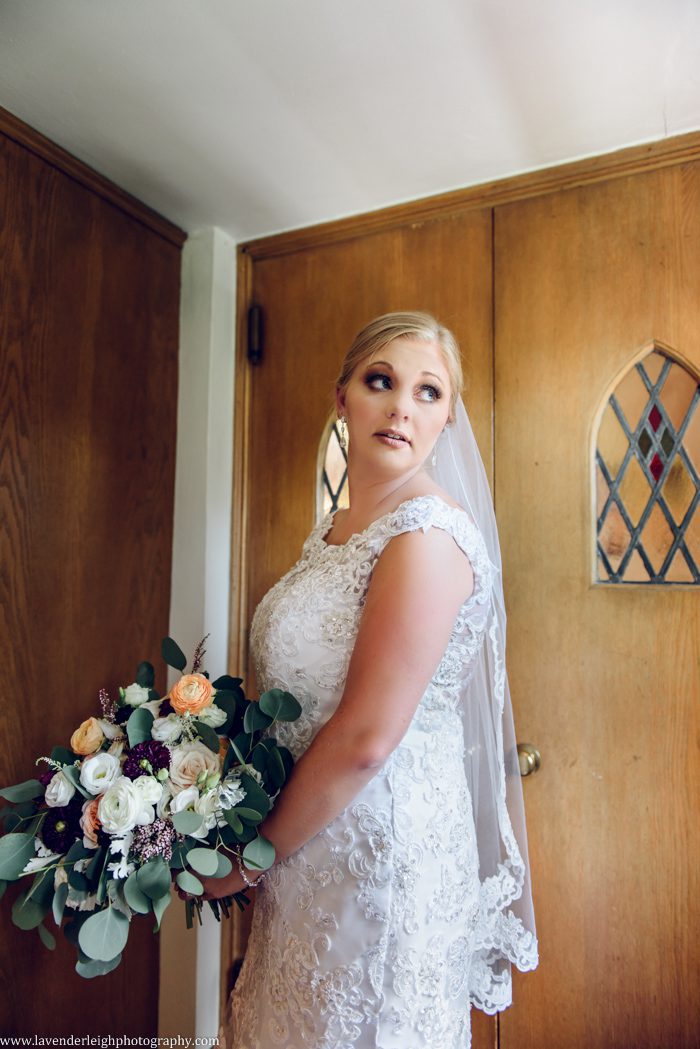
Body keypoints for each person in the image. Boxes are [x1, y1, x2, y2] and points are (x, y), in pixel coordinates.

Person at [197, 312, 538, 1048]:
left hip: (378, 859)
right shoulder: (331, 534)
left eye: (427, 392)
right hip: (310, 840)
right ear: (341, 396)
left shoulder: (426, 536)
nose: (400, 406)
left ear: (448, 418)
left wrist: (246, 861)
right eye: (380, 381)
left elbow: (365, 736)